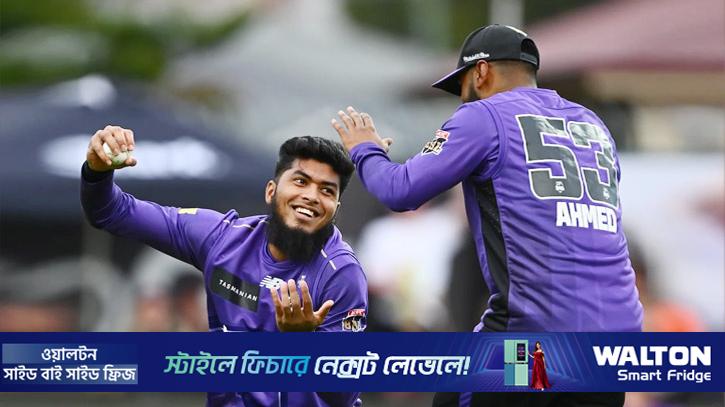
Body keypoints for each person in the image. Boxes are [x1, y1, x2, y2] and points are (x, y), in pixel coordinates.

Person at [331, 24, 640, 406]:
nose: (462, 100)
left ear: (480, 72)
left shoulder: (484, 116)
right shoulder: (593, 124)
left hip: (535, 343)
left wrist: (365, 149)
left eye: (461, 86)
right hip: (614, 347)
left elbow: (400, 190)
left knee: (453, 397)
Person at [81, 127, 368, 407]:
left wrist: (303, 343)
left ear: (335, 209)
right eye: (301, 181)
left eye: (327, 190)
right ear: (271, 191)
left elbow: (343, 395)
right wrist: (97, 170)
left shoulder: (341, 274)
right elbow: (112, 211)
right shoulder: (223, 239)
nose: (312, 196)